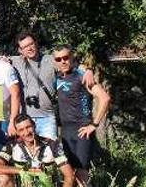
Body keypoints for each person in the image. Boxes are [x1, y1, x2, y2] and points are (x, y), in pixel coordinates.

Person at [9, 33, 95, 142]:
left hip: (47, 118)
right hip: (25, 120)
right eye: (25, 47)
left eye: (31, 44)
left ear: (36, 43)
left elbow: (73, 64)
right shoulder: (15, 62)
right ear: (20, 50)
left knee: (51, 153)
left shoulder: (51, 60)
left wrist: (88, 70)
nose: (29, 49)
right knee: (30, 154)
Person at [53, 46, 111, 187]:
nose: (63, 61)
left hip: (82, 130)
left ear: (72, 57)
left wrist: (94, 124)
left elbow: (105, 98)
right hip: (66, 132)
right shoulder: (57, 78)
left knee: (81, 174)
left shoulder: (82, 76)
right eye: (59, 59)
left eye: (66, 57)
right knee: (69, 174)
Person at [0, 114, 75, 187]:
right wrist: (22, 171)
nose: (26, 133)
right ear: (17, 132)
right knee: (2, 178)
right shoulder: (12, 145)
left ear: (34, 125)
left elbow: (69, 176)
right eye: (21, 130)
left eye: (28, 127)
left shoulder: (52, 145)